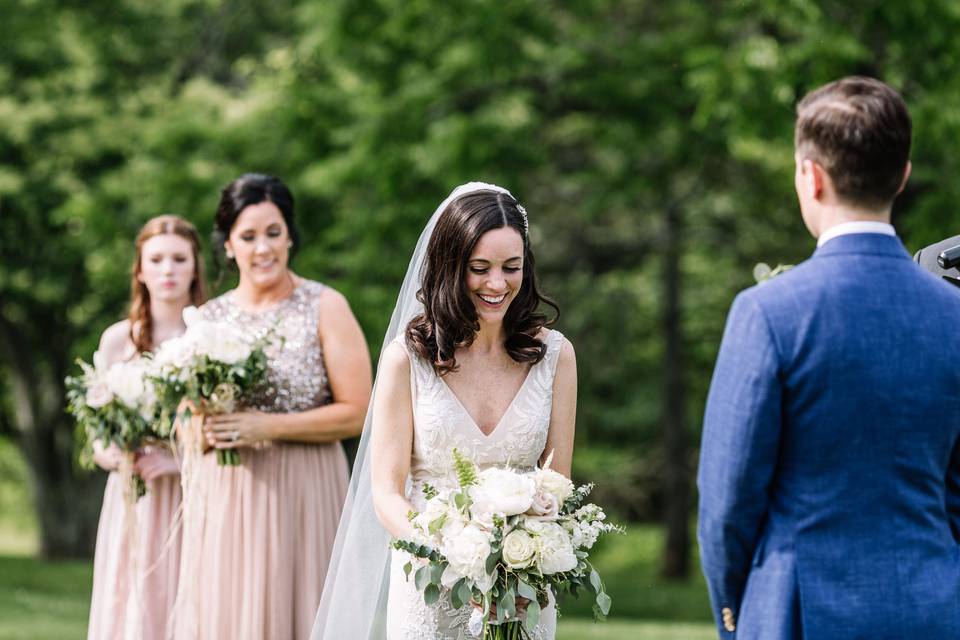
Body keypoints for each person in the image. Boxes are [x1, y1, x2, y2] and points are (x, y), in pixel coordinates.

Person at [697, 76, 960, 639]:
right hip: (934, 611)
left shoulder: (768, 313)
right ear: (904, 176)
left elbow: (726, 505)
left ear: (810, 176)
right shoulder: (955, 316)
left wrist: (734, 617)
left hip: (799, 616)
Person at [311, 182, 577, 640]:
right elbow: (387, 495)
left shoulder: (556, 356)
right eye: (480, 268)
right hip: (429, 581)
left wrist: (529, 547)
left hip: (521, 587)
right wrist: (452, 549)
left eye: (511, 267)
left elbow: (558, 481)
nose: (498, 284)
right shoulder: (407, 359)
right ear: (453, 267)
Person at [172, 173, 371, 640]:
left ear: (290, 237)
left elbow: (358, 411)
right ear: (228, 246)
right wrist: (199, 430)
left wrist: (269, 426)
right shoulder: (208, 318)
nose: (263, 249)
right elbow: (184, 415)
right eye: (248, 236)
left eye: (273, 233)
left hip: (306, 490)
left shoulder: (325, 306)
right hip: (228, 496)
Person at [88, 214, 206, 640]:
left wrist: (176, 461)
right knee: (131, 606)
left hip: (190, 494)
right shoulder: (118, 339)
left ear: (195, 267)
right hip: (132, 498)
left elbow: (223, 429)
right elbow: (98, 433)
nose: (167, 270)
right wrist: (118, 455)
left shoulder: (208, 338)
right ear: (140, 269)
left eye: (178, 258)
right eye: (156, 259)